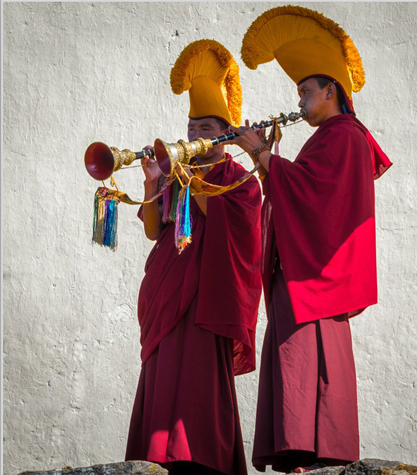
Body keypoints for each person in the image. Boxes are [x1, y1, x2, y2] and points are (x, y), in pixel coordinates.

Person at [229, 6, 393, 473]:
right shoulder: (327, 137)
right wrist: (268, 161)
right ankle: (299, 453)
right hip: (296, 273)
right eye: (298, 92)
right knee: (295, 366)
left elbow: (313, 196)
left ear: (331, 90)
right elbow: (297, 192)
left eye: (305, 91)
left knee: (308, 364)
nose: (299, 101)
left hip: (314, 279)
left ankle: (312, 453)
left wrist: (259, 151)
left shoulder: (343, 135)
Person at [125, 39, 262, 475]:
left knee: (199, 382)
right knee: (163, 376)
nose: (195, 136)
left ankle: (204, 460)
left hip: (207, 301)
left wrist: (190, 175)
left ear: (225, 132)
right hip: (165, 297)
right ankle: (157, 455)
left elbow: (226, 223)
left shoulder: (240, 182)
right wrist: (152, 183)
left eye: (206, 127)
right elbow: (154, 231)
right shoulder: (176, 177)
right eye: (191, 127)